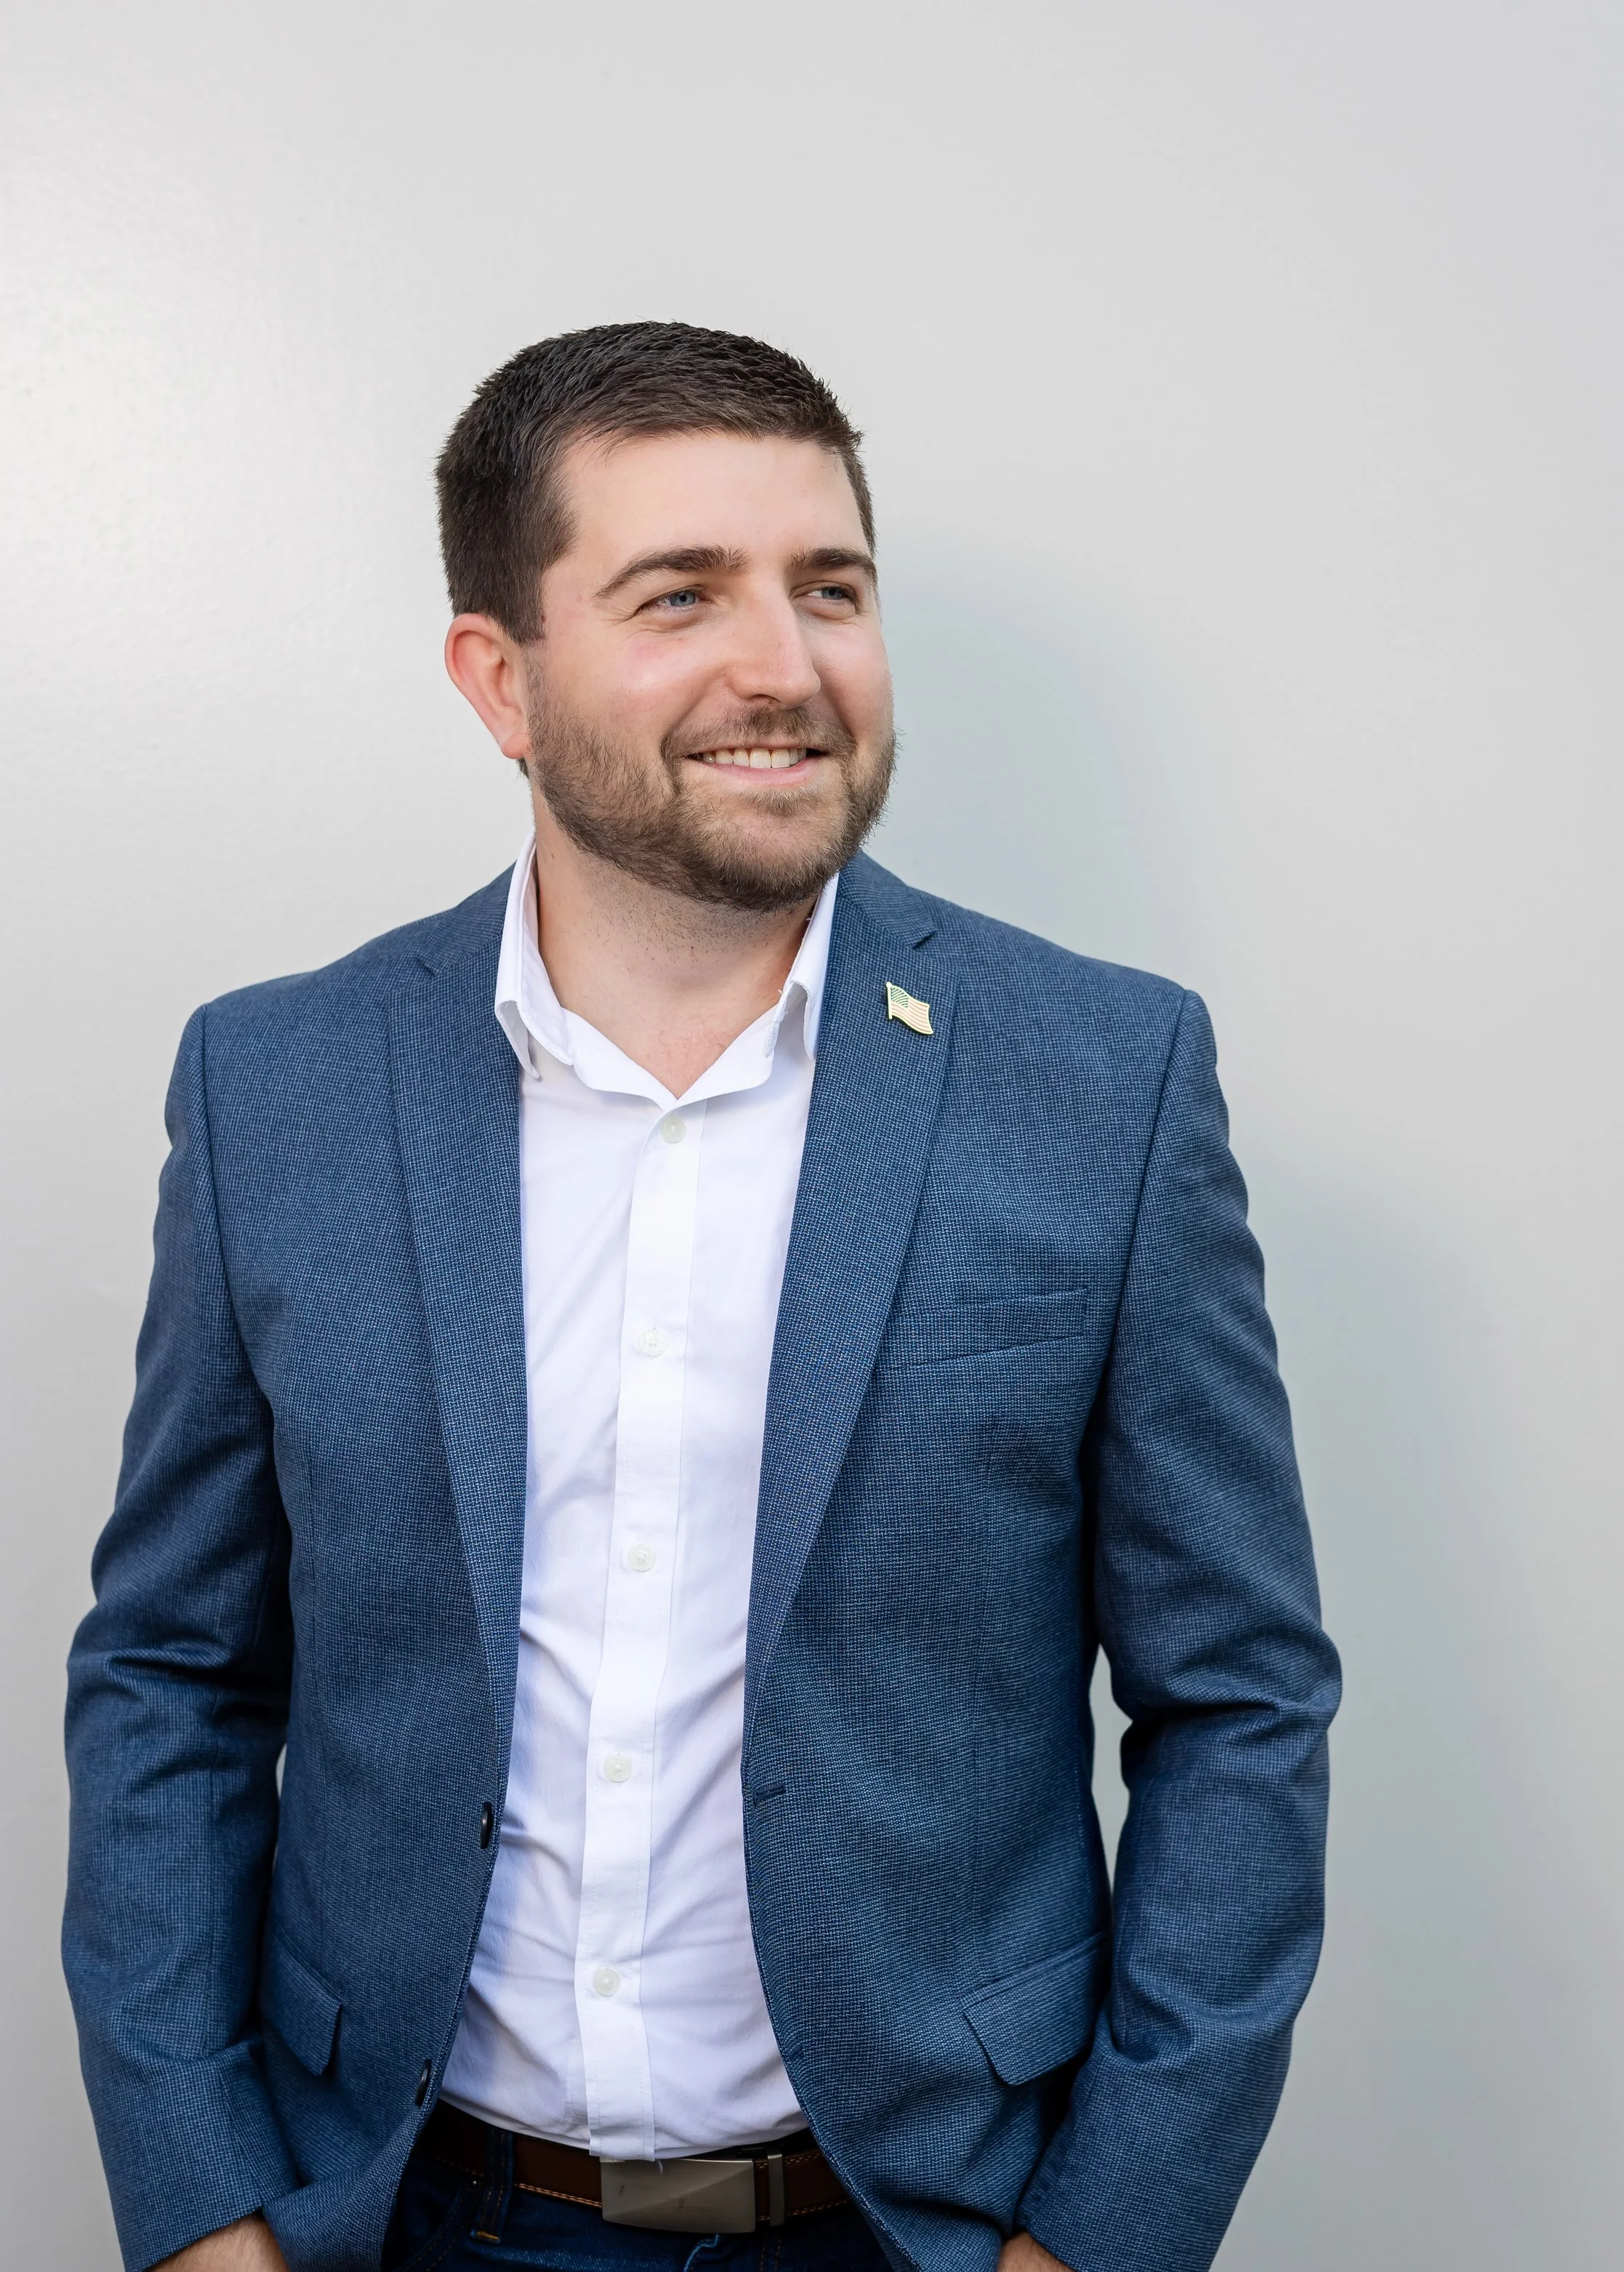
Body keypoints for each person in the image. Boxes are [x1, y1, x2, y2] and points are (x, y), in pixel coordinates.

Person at [63, 322, 1340, 2272]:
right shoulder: (280, 1091)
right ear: (500, 676)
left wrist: (1103, 2236)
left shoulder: (1099, 1085)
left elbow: (1237, 1699)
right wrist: (197, 2214)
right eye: (682, 595)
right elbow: (170, 1672)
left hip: (911, 2227)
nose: (786, 664)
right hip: (409, 2217)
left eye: (829, 587)